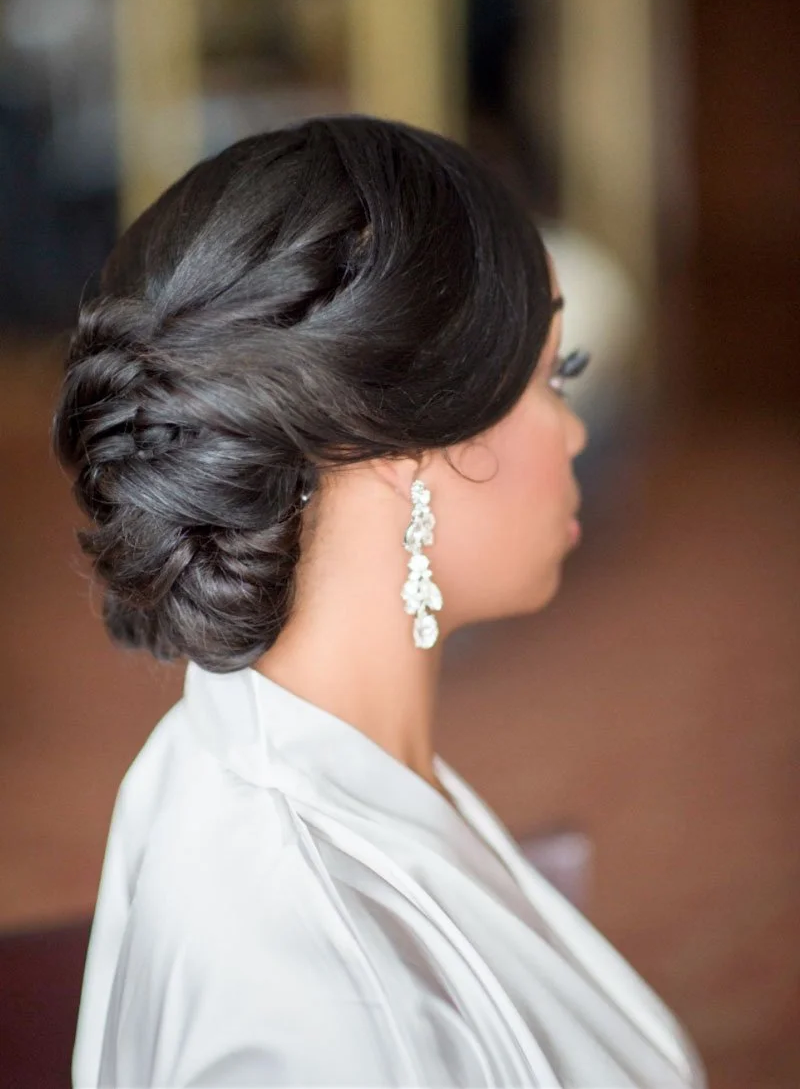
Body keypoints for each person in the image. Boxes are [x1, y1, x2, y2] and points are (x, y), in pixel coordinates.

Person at [53, 116, 706, 1088]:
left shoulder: (244, 740)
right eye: (552, 377)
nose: (573, 436)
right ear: (401, 448)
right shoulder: (317, 1005)